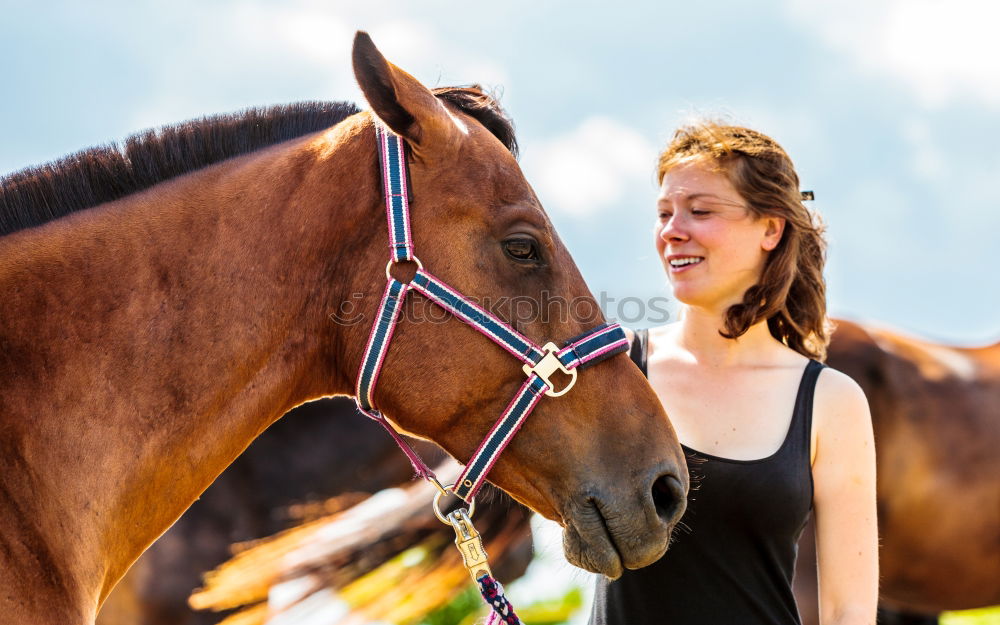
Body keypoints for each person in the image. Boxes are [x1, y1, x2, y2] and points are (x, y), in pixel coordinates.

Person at [589, 122, 878, 624]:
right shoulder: (613, 369)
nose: (672, 230)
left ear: (771, 228)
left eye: (700, 211)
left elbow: (847, 609)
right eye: (664, 213)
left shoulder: (831, 401)